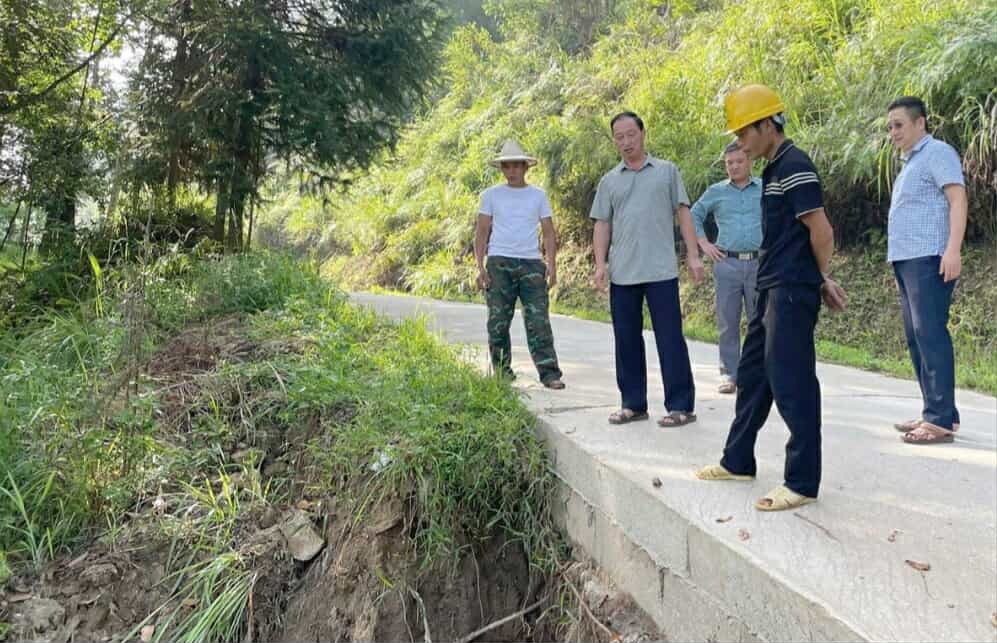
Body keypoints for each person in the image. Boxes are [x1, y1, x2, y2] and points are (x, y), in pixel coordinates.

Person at [695, 84, 847, 512]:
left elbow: (821, 231)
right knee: (753, 375)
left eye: (745, 132)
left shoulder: (796, 164)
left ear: (767, 125)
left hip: (792, 289)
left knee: (791, 379)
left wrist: (820, 277)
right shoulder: (774, 169)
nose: (740, 142)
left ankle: (801, 480)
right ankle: (738, 459)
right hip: (769, 284)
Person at [590, 111, 704, 427]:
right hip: (623, 273)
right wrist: (600, 265)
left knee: (670, 339)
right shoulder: (609, 180)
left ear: (642, 133)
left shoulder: (667, 172)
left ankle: (681, 405)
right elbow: (601, 224)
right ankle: (633, 404)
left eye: (631, 134)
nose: (626, 142)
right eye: (619, 137)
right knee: (626, 339)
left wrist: (693, 256)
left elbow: (684, 213)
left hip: (661, 271)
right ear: (614, 141)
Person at [885, 96, 967, 445]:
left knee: (930, 333)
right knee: (916, 336)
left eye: (899, 125)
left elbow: (958, 199)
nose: (893, 132)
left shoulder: (937, 153)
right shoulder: (910, 162)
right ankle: (940, 412)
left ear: (920, 124)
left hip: (930, 257)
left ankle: (938, 422)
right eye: (890, 127)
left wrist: (953, 250)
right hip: (907, 259)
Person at [474, 139, 565, 389]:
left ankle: (549, 373)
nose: (512, 171)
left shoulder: (538, 196)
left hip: (532, 264)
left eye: (516, 166)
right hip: (499, 262)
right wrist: (479, 267)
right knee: (498, 320)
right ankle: (502, 372)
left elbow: (548, 232)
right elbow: (482, 232)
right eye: (507, 167)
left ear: (526, 167)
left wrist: (552, 264)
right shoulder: (490, 195)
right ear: (501, 169)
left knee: (538, 320)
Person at [691, 142, 763, 394]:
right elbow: (693, 214)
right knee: (727, 322)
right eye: (729, 163)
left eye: (739, 161)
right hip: (727, 263)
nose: (734, 166)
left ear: (750, 160)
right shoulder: (716, 191)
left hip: (760, 264)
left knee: (761, 322)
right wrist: (703, 243)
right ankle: (729, 375)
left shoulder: (764, 188)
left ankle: (758, 374)